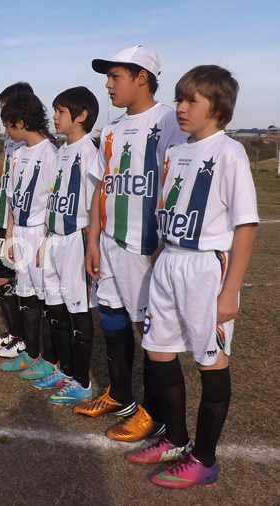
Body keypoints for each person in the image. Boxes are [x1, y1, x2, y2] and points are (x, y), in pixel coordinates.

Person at [123, 65, 258, 488]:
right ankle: (176, 439)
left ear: (216, 108)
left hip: (205, 268)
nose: (180, 108)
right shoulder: (175, 151)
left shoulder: (229, 152)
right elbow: (168, 204)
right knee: (158, 351)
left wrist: (229, 291)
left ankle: (204, 458)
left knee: (210, 360)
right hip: (170, 261)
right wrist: (160, 251)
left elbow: (246, 226)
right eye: (178, 99)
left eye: (190, 101)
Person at [77, 45, 187, 443]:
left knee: (153, 333)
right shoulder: (110, 129)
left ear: (142, 77)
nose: (108, 85)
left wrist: (166, 242)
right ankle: (121, 396)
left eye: (115, 76)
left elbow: (179, 182)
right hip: (109, 243)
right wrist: (92, 240)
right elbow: (100, 187)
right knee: (111, 317)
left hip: (145, 247)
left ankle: (154, 415)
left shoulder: (169, 122)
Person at [30, 86, 100, 405]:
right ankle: (65, 370)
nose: (55, 117)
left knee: (78, 311)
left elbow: (96, 204)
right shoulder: (61, 151)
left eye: (61, 112)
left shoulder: (89, 152)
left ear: (81, 116)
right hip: (55, 238)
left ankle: (82, 381)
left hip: (75, 239)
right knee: (55, 308)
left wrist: (91, 244)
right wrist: (46, 238)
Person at [0, 92, 59, 378]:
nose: (7, 131)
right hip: (21, 233)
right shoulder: (18, 154)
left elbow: (54, 203)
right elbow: (13, 201)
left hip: (39, 233)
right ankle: (31, 353)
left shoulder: (50, 154)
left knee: (47, 300)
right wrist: (10, 236)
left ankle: (51, 359)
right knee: (26, 296)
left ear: (21, 122)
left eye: (8, 125)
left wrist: (46, 240)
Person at [0, 82, 33, 356]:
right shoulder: (10, 142)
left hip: (24, 224)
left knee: (23, 283)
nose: (2, 115)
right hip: (4, 219)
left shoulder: (36, 144)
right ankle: (14, 334)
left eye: (5, 108)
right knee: (1, 276)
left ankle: (26, 339)